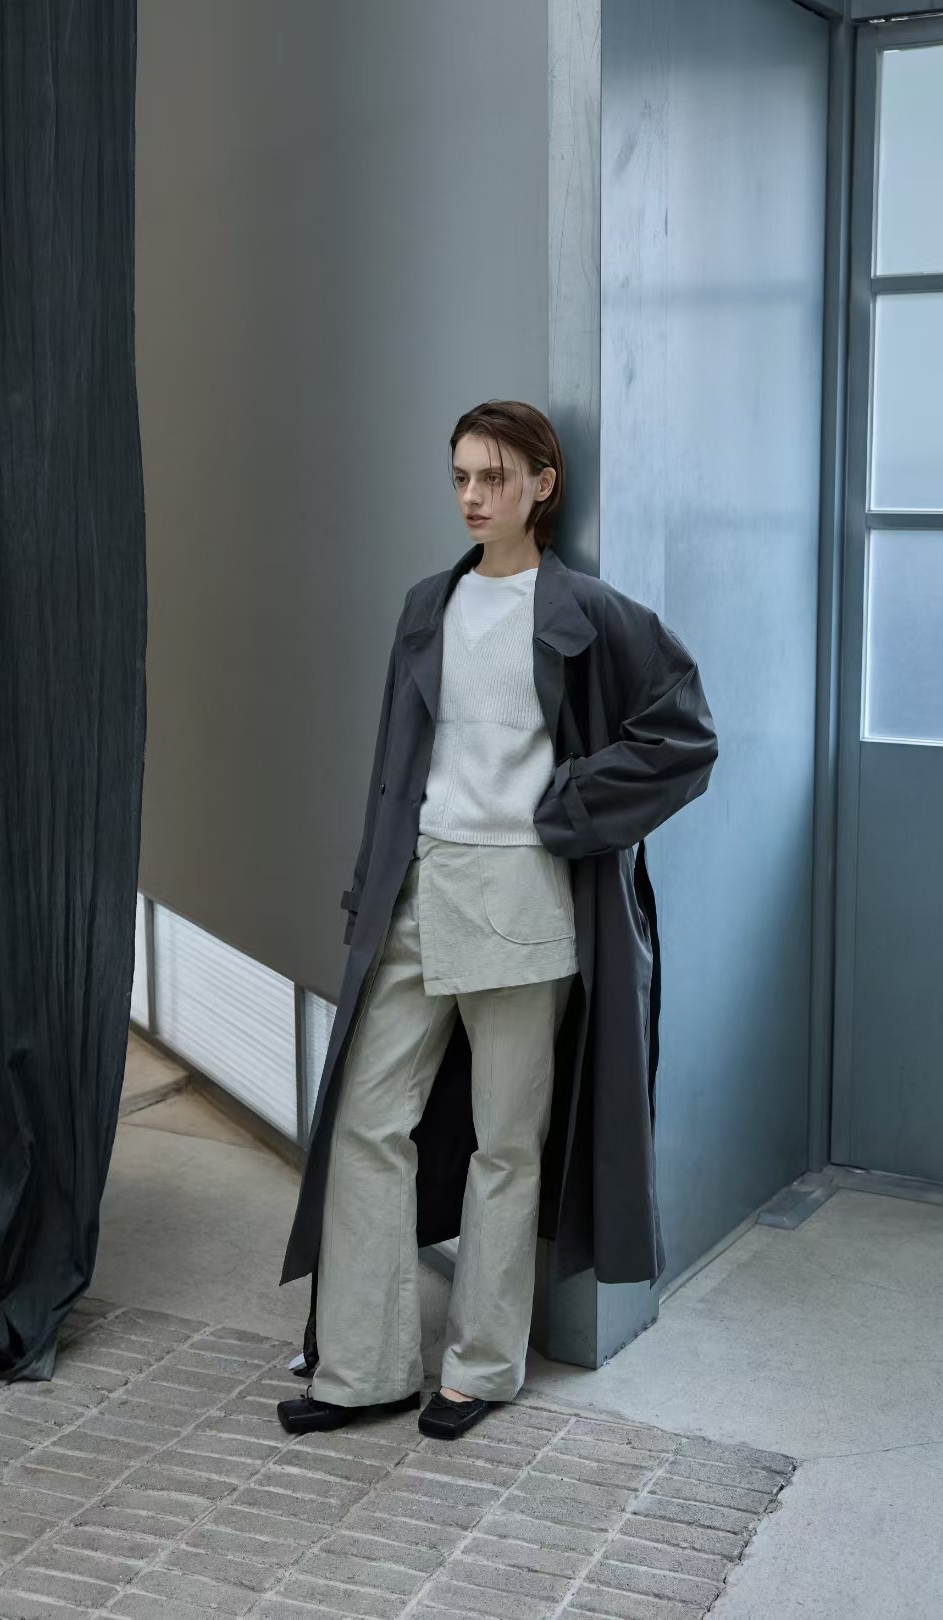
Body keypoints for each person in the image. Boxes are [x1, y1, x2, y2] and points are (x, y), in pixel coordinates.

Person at [277, 400, 717, 1442]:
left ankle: (478, 1369)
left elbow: (684, 734)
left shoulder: (590, 612)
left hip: (523, 901)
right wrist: (369, 887)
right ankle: (365, 1368)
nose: (473, 497)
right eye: (461, 478)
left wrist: (566, 808)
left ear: (541, 485)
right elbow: (396, 768)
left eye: (494, 477)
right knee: (367, 1122)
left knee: (507, 1144)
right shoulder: (427, 604)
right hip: (419, 889)